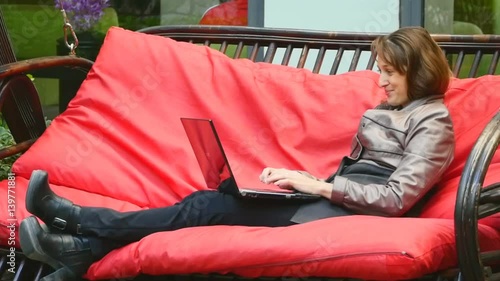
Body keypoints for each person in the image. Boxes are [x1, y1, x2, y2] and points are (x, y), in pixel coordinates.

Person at [19, 26, 455, 281]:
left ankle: (77, 223)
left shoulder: (432, 122)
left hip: (352, 218)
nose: (380, 82)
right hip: (331, 205)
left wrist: (318, 186)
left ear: (419, 71)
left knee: (207, 205)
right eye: (381, 71)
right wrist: (297, 181)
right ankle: (81, 250)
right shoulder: (397, 108)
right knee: (206, 199)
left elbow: (397, 198)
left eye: (390, 72)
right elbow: (360, 175)